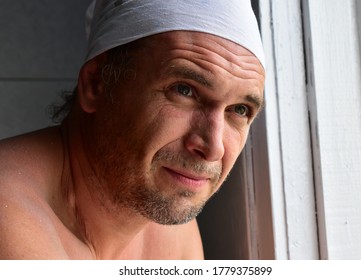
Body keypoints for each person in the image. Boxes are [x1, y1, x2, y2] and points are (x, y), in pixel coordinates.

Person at [0, 0, 265, 259]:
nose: (213, 147)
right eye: (184, 90)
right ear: (97, 83)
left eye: (240, 110)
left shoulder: (171, 230)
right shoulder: (8, 213)